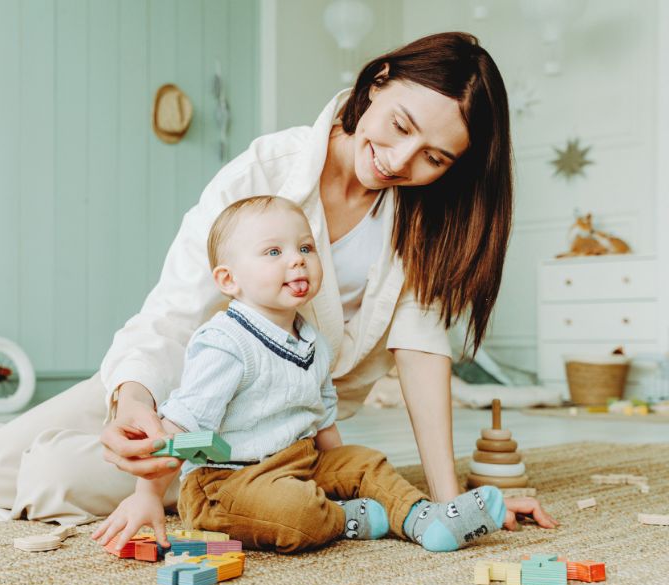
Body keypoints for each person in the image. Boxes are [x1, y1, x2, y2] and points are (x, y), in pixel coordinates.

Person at [0, 32, 551, 528]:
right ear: (379, 79)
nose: (399, 159)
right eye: (400, 125)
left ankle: (230, 484)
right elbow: (173, 313)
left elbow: (420, 353)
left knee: (53, 477)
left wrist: (448, 502)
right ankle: (75, 444)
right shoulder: (266, 170)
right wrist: (132, 401)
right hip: (183, 381)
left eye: (433, 158)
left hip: (270, 430)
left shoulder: (425, 223)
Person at [92, 195, 555, 554]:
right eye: (273, 251)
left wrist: (342, 471)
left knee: (367, 463)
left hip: (298, 460)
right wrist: (147, 494)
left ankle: (426, 518)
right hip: (227, 484)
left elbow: (321, 417)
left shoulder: (311, 339)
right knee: (297, 514)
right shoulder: (225, 342)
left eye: (306, 248)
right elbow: (183, 427)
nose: (296, 260)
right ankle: (348, 519)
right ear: (229, 280)